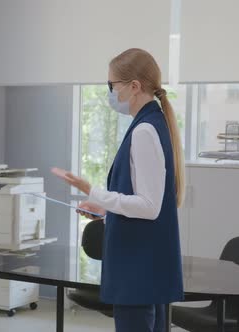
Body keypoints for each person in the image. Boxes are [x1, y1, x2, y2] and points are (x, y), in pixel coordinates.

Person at [53, 48, 185, 332]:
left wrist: (92, 190)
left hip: (136, 266)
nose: (110, 92)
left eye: (112, 85)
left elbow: (149, 207)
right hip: (145, 264)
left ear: (134, 86)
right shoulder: (152, 123)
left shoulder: (144, 131)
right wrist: (105, 208)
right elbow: (144, 199)